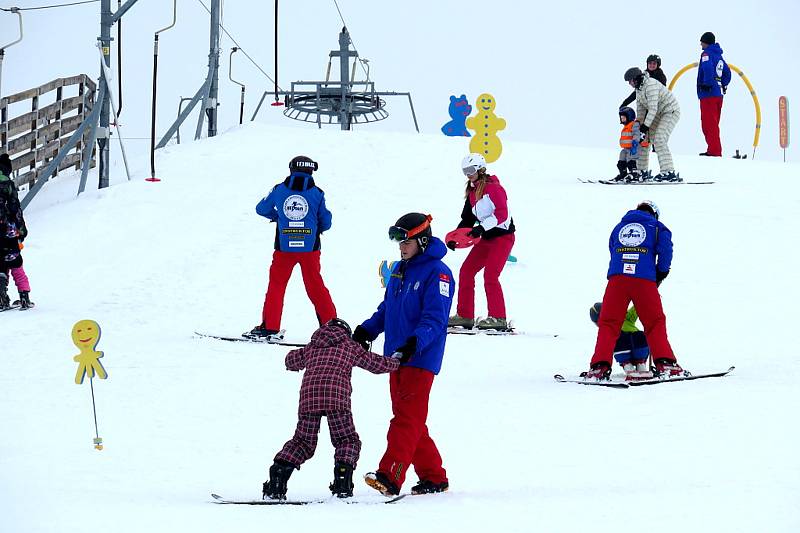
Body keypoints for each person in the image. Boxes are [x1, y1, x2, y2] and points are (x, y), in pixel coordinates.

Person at [352, 212, 453, 496]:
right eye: (396, 240)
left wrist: (413, 344)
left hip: (420, 358)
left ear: (422, 239)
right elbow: (387, 309)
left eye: (404, 240)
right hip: (395, 358)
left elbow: (435, 319)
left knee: (406, 419)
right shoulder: (400, 268)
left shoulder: (439, 273)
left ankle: (390, 475)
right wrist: (367, 330)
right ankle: (434, 477)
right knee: (410, 418)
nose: (400, 246)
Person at [262, 318, 402, 500]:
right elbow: (375, 364)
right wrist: (397, 362)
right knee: (347, 440)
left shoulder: (312, 347)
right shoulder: (350, 346)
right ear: (346, 333)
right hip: (337, 398)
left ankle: (278, 477)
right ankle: (342, 482)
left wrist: (301, 359)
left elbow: (290, 360)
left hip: (309, 398)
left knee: (303, 442)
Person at [583, 200, 684, 381]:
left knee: (608, 323)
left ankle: (598, 367)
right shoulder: (657, 227)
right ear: (654, 214)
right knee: (654, 322)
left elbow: (613, 250)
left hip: (617, 280)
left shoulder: (619, 227)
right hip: (644, 279)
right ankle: (666, 363)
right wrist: (660, 272)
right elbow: (666, 250)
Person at [249, 155, 337, 338]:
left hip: (284, 248)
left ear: (291, 170)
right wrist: (315, 227)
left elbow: (261, 209)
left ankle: (270, 327)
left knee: (277, 285)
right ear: (311, 171)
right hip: (310, 249)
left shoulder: (279, 190)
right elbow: (326, 222)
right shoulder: (317, 193)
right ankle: (332, 328)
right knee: (315, 286)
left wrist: (278, 217)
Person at [446, 154, 515, 331]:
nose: (468, 174)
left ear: (480, 169)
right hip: (486, 238)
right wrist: (455, 238)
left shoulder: (494, 189)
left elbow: (502, 214)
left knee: (491, 275)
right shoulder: (471, 193)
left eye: (470, 170)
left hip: (503, 237)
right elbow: (467, 220)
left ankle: (498, 317)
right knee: (466, 271)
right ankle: (465, 315)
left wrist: (482, 228)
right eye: (465, 171)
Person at [623, 67, 681, 182]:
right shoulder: (638, 89)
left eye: (630, 81)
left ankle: (668, 172)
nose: (629, 84)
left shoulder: (650, 85)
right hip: (657, 114)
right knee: (644, 140)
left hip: (670, 111)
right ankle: (641, 171)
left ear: (636, 78)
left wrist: (644, 128)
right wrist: (638, 128)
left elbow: (652, 109)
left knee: (659, 139)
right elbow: (641, 110)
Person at [0, 153, 32, 310]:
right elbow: (15, 209)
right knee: (16, 263)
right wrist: (21, 230)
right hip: (8, 232)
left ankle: (1, 298)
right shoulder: (7, 184)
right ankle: (24, 296)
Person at [589, 302, 650, 378]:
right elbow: (636, 308)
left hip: (623, 343)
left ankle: (628, 365)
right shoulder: (626, 317)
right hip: (638, 341)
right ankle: (640, 364)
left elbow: (602, 348)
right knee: (641, 338)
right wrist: (643, 299)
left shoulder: (608, 329)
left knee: (616, 342)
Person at [697, 32, 731, 157]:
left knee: (708, 124)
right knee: (714, 123)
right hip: (718, 94)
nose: (700, 44)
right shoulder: (719, 56)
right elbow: (727, 73)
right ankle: (713, 149)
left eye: (702, 41)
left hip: (708, 94)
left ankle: (714, 151)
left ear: (706, 42)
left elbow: (707, 68)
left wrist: (707, 83)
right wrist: (722, 84)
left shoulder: (706, 54)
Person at [612, 106, 649, 182]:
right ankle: (623, 173)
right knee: (621, 160)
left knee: (630, 161)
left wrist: (635, 143)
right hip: (626, 148)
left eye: (623, 118)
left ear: (629, 116)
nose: (622, 119)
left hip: (633, 147)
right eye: (621, 118)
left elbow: (636, 134)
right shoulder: (626, 126)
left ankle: (634, 173)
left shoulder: (634, 124)